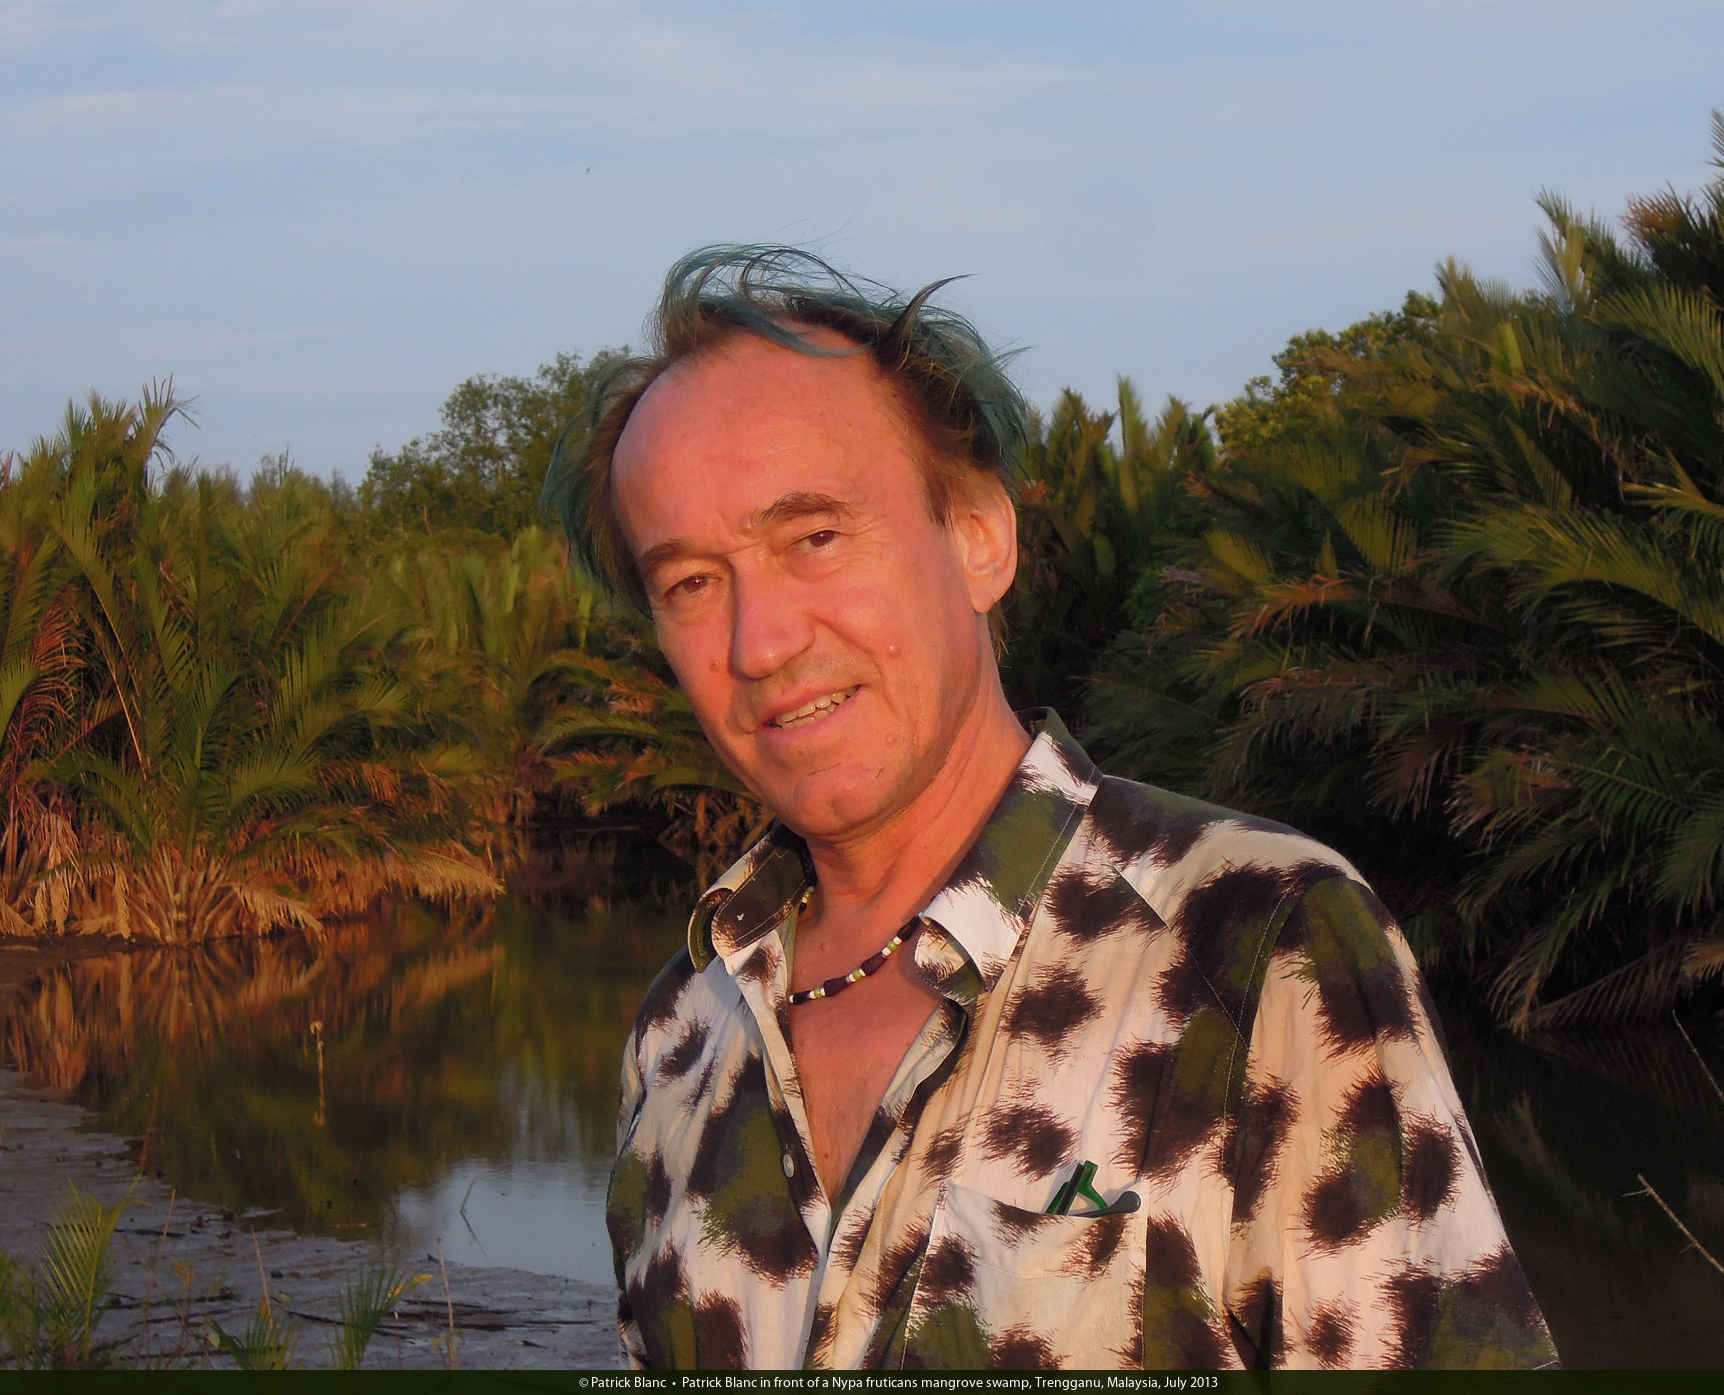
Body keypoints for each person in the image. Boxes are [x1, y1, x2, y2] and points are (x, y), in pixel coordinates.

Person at [543, 246, 1557, 1371]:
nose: (760, 642)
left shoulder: (1257, 945)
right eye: (690, 583)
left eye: (815, 538)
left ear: (979, 538)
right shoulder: (682, 1030)